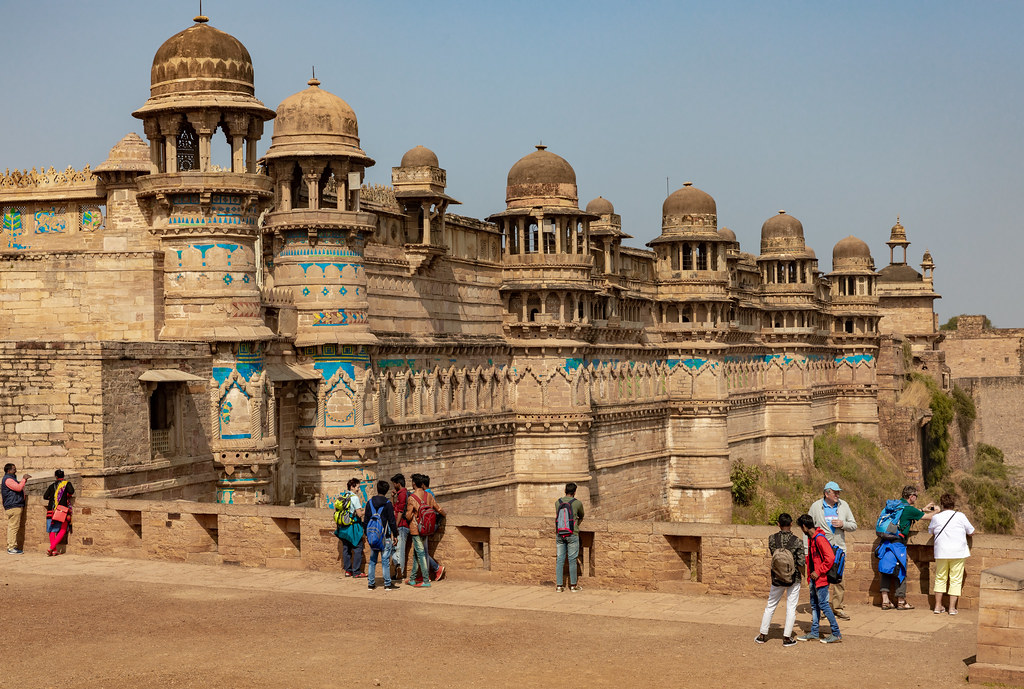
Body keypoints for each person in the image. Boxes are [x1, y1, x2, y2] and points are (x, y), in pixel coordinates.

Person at [879, 485, 936, 610]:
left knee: (886, 570)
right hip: (898, 544)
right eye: (916, 496)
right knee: (900, 571)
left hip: (886, 542)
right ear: (911, 496)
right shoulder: (909, 509)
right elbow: (930, 517)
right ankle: (901, 601)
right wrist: (936, 510)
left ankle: (885, 601)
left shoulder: (896, 505)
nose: (916, 498)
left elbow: (908, 515)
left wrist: (922, 509)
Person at [807, 481, 857, 619]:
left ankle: (837, 607)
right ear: (826, 493)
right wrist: (807, 550)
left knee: (839, 579)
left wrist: (843, 524)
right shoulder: (816, 507)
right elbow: (808, 528)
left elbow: (853, 525)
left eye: (838, 492)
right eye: (835, 492)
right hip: (821, 550)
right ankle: (822, 608)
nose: (838, 495)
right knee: (822, 579)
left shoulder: (844, 505)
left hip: (838, 549)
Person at [756, 513, 804, 646]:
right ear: (791, 524)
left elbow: (774, 554)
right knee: (791, 607)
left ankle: (762, 635)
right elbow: (800, 562)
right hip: (793, 578)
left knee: (770, 605)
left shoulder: (772, 539)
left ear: (778, 524)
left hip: (777, 576)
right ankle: (787, 638)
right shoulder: (797, 541)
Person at [796, 513, 842, 644]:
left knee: (823, 605)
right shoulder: (813, 538)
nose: (802, 531)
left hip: (820, 578)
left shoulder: (819, 539)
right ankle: (814, 632)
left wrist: (818, 571)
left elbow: (830, 558)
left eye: (801, 528)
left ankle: (836, 633)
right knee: (815, 605)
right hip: (814, 578)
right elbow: (813, 558)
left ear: (804, 527)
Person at [928, 493, 975, 615]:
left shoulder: (936, 518)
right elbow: (971, 532)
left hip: (941, 551)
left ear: (942, 504)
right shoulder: (960, 516)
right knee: (955, 580)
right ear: (953, 504)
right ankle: (952, 608)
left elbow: (930, 531)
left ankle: (938, 606)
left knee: (940, 578)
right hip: (958, 552)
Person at [406, 473, 445, 588]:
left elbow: (408, 516)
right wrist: (445, 515)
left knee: (421, 553)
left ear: (414, 484)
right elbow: (438, 508)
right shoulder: (428, 495)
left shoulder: (412, 498)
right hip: (427, 528)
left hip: (416, 528)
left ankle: (425, 580)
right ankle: (413, 578)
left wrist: (411, 513)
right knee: (416, 553)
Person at [363, 480, 399, 591]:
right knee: (385, 560)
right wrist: (395, 535)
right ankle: (387, 583)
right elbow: (392, 521)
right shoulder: (388, 504)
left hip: (373, 535)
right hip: (385, 536)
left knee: (373, 560)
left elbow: (366, 520)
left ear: (377, 489)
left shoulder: (369, 503)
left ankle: (371, 583)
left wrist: (367, 534)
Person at [555, 482, 585, 592]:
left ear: (565, 491)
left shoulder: (557, 502)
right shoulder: (577, 503)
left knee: (560, 560)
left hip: (560, 533)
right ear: (574, 492)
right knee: (572, 560)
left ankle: (559, 586)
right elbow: (581, 515)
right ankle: (573, 586)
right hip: (572, 533)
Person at [337, 478, 366, 578]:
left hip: (344, 527)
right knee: (358, 548)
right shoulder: (354, 498)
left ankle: (348, 570)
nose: (358, 489)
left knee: (346, 548)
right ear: (352, 487)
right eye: (358, 487)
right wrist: (366, 511)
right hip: (353, 527)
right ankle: (357, 572)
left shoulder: (345, 496)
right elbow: (359, 514)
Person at [43, 469, 74, 556]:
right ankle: (51, 548)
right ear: (63, 476)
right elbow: (71, 491)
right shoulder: (66, 484)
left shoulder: (52, 486)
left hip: (51, 510)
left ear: (56, 476)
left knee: (52, 530)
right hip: (62, 509)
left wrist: (54, 499)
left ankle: (54, 550)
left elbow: (45, 496)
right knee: (63, 529)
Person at [420, 474, 445, 582]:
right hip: (428, 524)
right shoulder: (430, 493)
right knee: (422, 550)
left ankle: (435, 569)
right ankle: (430, 572)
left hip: (425, 525)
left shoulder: (427, 494)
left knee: (422, 550)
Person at [2, 463, 30, 554]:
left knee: (12, 527)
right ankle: (12, 547)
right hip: (14, 505)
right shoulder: (8, 480)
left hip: (14, 505)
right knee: (13, 527)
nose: (15, 470)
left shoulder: (10, 479)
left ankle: (11, 547)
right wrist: (24, 479)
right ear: (8, 471)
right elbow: (18, 488)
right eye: (14, 469)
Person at [390, 473, 410, 581]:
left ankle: (400, 572)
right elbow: (395, 508)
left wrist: (395, 527)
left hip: (402, 525)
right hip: (400, 525)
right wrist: (393, 497)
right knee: (395, 548)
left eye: (394, 483)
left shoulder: (403, 494)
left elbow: (400, 512)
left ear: (398, 483)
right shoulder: (400, 494)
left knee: (400, 549)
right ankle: (397, 569)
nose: (393, 485)